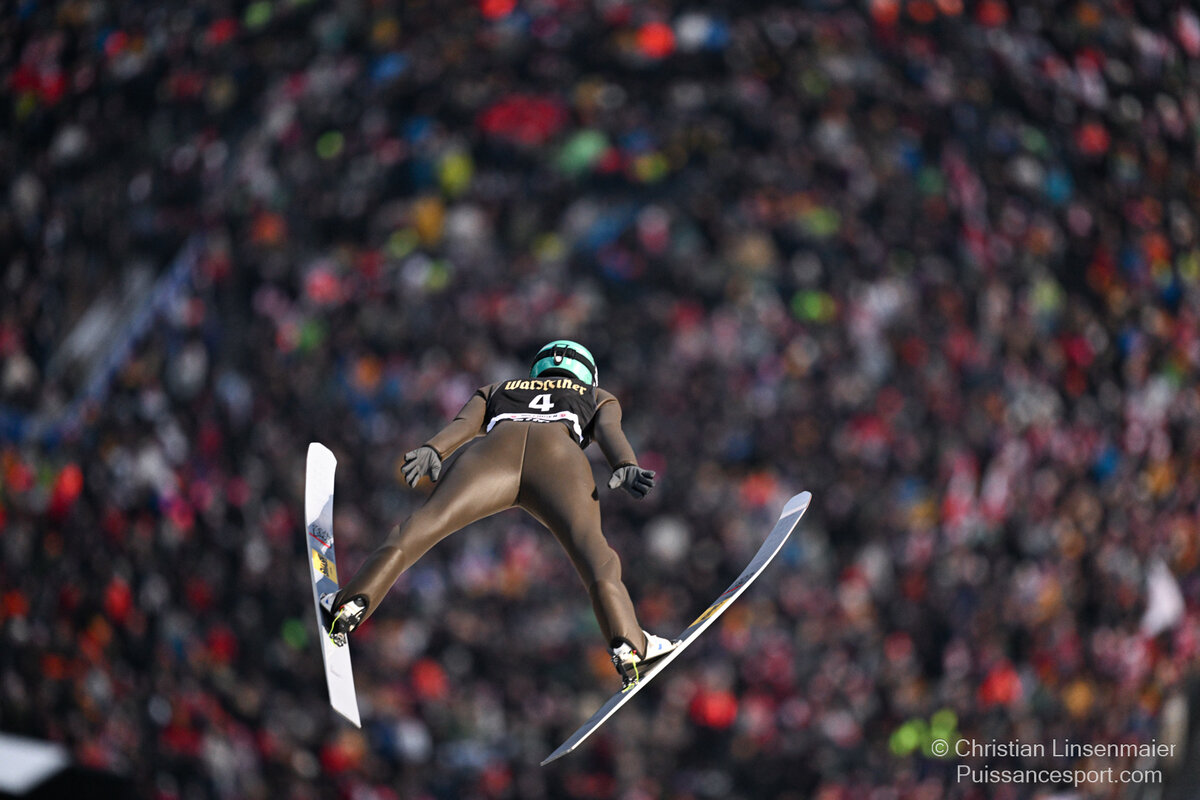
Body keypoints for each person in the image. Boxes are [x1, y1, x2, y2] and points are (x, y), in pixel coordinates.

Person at [322, 340, 678, 685]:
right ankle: (630, 645)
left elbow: (464, 425)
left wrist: (435, 448)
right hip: (558, 461)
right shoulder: (598, 396)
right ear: (588, 374)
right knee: (595, 556)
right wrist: (625, 463)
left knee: (422, 527)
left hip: (491, 457)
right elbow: (609, 430)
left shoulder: (498, 388)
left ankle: (352, 602)